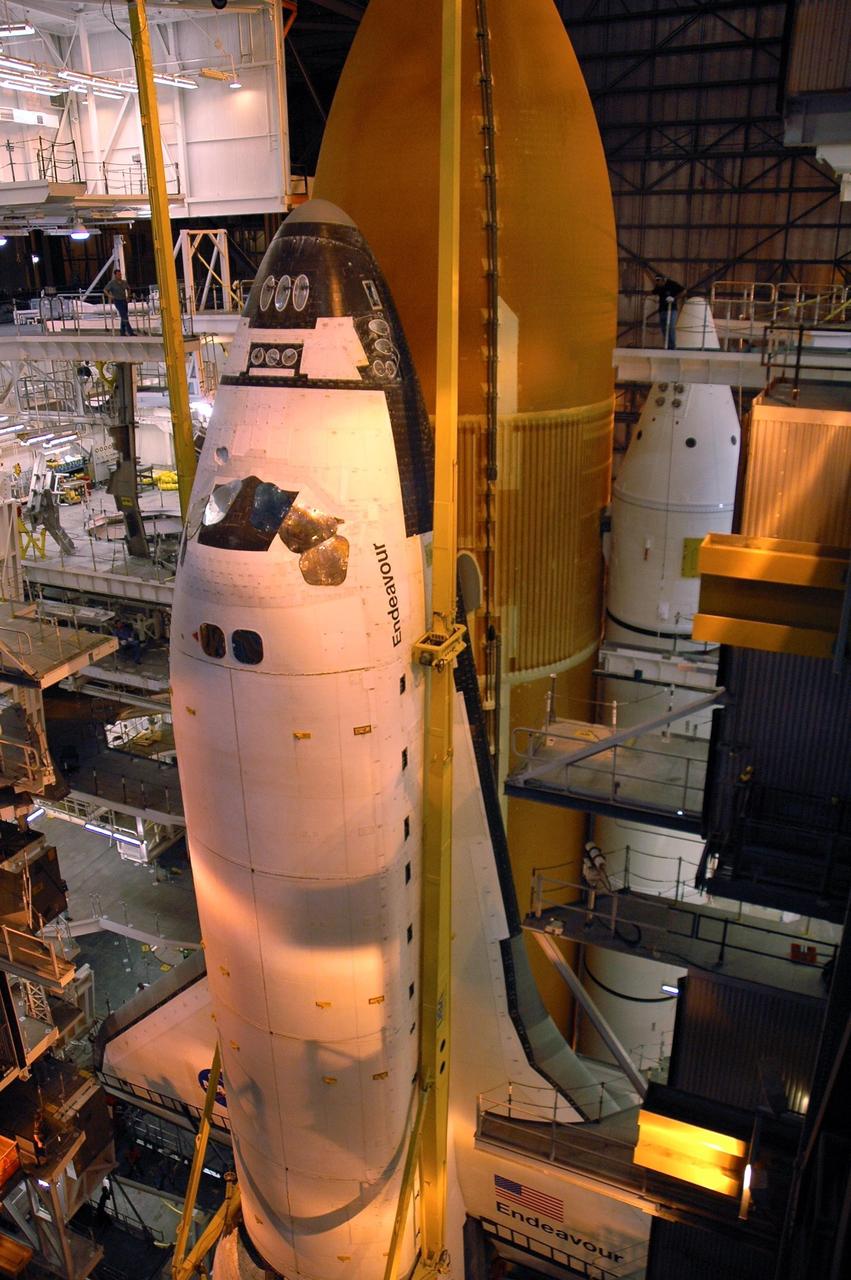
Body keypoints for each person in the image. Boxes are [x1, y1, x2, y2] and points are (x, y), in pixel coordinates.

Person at [582, 841, 613, 926]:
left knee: (592, 893)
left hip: (592, 877)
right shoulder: (597, 861)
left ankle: (590, 918)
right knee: (592, 894)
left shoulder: (595, 861)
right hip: (591, 876)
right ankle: (589, 917)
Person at [650, 273, 684, 349]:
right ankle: (667, 346)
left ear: (663, 280)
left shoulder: (672, 284)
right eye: (656, 281)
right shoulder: (659, 287)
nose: (657, 282)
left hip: (671, 310)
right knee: (664, 328)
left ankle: (672, 347)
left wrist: (674, 298)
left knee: (671, 327)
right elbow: (653, 292)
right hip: (662, 310)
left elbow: (683, 291)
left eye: (658, 280)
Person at [103, 268, 135, 335]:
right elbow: (105, 290)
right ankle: (130, 332)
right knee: (124, 316)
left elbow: (128, 289)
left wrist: (128, 296)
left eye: (120, 274)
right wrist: (109, 296)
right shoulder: (112, 283)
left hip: (124, 300)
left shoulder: (124, 282)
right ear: (115, 275)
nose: (120, 276)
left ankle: (122, 332)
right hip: (117, 301)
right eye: (118, 275)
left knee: (124, 315)